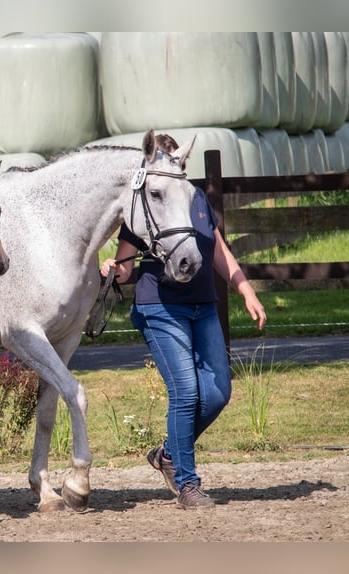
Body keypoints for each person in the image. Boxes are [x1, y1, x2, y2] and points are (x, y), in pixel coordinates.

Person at [100, 133, 266, 509]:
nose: (175, 165)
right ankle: (188, 485)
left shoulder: (197, 199)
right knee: (186, 393)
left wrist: (245, 290)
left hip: (202, 305)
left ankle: (168, 454)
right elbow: (125, 267)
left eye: (177, 159)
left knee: (218, 393)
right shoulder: (149, 202)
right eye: (169, 158)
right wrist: (112, 269)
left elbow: (218, 248)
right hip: (160, 307)